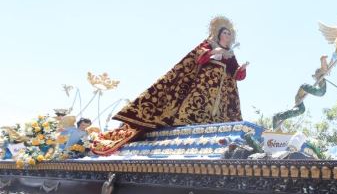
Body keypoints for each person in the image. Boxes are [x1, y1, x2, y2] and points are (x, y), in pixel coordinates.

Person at [92, 16, 247, 155]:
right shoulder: (209, 44)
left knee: (221, 113)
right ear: (218, 34)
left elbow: (236, 75)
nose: (227, 36)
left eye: (229, 34)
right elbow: (199, 59)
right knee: (196, 105)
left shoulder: (231, 54)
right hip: (204, 86)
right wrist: (213, 52)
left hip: (222, 92)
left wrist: (242, 70)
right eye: (225, 33)